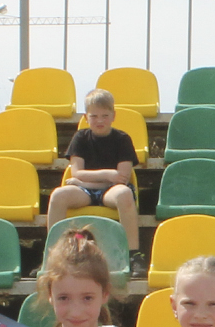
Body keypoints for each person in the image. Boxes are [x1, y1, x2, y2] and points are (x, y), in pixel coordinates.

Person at [44, 88, 143, 276]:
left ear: (113, 116)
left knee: (124, 194)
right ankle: (52, 253)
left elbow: (122, 177)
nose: (99, 121)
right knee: (58, 195)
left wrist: (84, 181)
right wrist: (106, 174)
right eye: (94, 116)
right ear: (86, 117)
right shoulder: (80, 138)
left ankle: (133, 254)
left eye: (105, 115)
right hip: (87, 192)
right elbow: (76, 172)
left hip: (111, 191)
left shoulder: (122, 139)